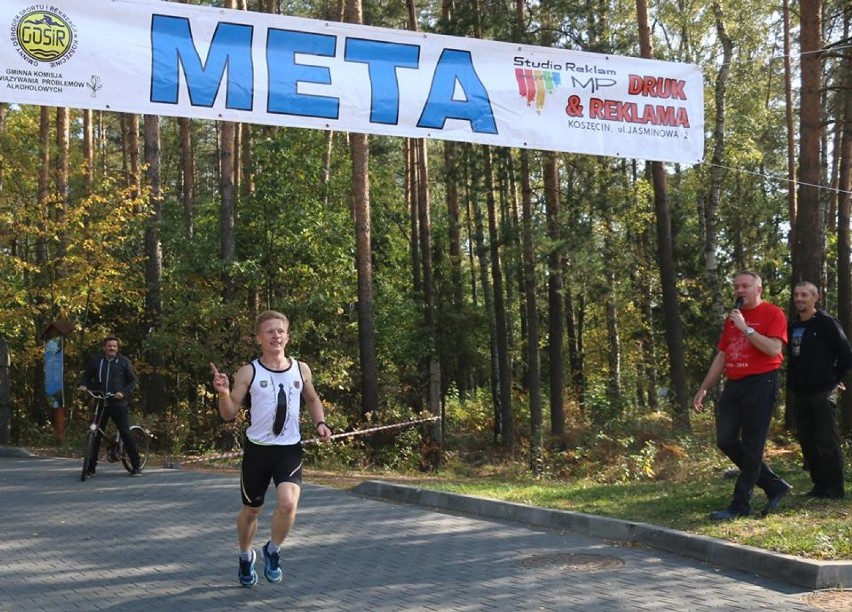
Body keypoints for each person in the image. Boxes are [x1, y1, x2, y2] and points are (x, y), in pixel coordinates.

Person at [210, 310, 332, 588]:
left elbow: (312, 400)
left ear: (287, 336)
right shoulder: (249, 371)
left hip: (289, 449)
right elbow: (229, 414)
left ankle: (273, 550)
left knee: (288, 504)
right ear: (259, 339)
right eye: (270, 332)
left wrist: (320, 423)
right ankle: (245, 556)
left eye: (280, 331)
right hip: (258, 450)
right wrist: (224, 393)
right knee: (252, 511)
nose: (276, 336)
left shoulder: (301, 369)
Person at [693, 270, 791, 520]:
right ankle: (773, 485)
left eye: (745, 286)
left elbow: (773, 349)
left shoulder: (773, 313)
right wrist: (704, 387)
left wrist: (746, 329)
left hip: (762, 381)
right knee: (725, 439)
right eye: (736, 286)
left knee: (752, 443)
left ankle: (740, 504)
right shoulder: (732, 318)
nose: (739, 290)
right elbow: (723, 355)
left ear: (758, 289)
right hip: (735, 383)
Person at [787, 281, 852, 500]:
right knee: (807, 440)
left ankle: (834, 489)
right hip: (801, 392)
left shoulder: (826, 323)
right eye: (796, 295)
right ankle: (819, 485)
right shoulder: (793, 324)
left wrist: (837, 380)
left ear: (816, 297)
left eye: (804, 295)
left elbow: (845, 354)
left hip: (824, 390)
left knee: (826, 439)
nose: (799, 299)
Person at [77, 336, 141, 476]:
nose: (112, 348)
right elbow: (86, 376)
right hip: (101, 402)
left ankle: (136, 465)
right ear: (104, 347)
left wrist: (122, 393)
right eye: (109, 346)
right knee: (95, 435)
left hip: (118, 404)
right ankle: (90, 468)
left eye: (114, 346)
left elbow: (133, 381)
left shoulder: (123, 362)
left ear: (117, 348)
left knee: (125, 433)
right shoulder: (97, 361)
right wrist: (84, 385)